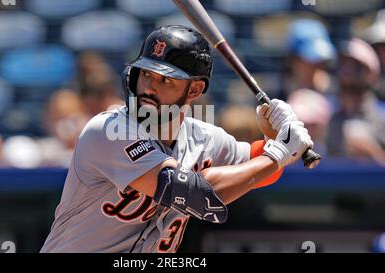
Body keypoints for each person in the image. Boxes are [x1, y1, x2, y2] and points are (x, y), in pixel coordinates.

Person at [40, 25, 313, 253]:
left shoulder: (205, 137)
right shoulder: (108, 130)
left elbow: (259, 170)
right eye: (146, 74)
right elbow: (192, 194)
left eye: (165, 80)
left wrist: (272, 139)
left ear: (194, 89)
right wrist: (277, 153)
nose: (149, 87)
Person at [326, 38, 385, 164]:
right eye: (343, 65)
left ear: (370, 73)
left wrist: (372, 152)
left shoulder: (382, 116)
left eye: (355, 67)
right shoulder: (328, 118)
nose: (347, 72)